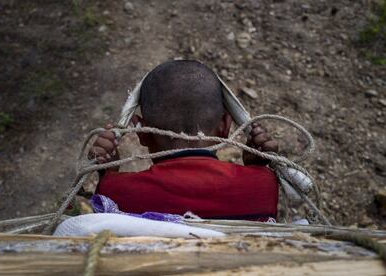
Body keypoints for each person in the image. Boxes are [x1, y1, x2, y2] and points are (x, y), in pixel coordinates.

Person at [89, 60, 279, 221]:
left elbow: (103, 218)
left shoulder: (116, 193)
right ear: (226, 127)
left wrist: (108, 173)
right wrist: (257, 169)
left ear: (142, 132)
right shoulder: (264, 185)